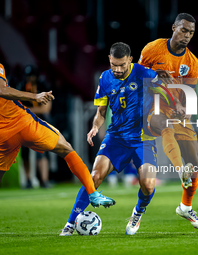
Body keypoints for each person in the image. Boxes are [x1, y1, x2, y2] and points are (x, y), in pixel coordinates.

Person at [0, 43, 115, 237]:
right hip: (23, 124)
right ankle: (93, 193)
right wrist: (35, 96)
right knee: (66, 149)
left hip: (1, 136)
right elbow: (0, 90)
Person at [60, 42, 158, 236]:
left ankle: (138, 212)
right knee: (94, 177)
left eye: (122, 65)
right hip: (116, 138)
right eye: (114, 64)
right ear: (109, 60)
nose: (118, 69)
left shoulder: (144, 73)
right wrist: (95, 126)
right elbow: (101, 112)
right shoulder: (105, 78)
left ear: (130, 60)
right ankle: (70, 224)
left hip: (143, 139)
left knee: (148, 185)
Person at [138, 13, 198, 230]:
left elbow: (190, 93)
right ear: (174, 27)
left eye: (191, 33)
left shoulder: (192, 63)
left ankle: (185, 207)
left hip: (177, 109)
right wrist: (154, 73)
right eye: (184, 30)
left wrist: (186, 110)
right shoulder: (152, 49)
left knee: (195, 163)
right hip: (154, 106)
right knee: (164, 125)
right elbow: (135, 75)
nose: (187, 36)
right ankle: (179, 169)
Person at [17, 66, 52, 188]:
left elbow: (46, 108)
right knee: (25, 153)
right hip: (26, 123)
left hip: (41, 122)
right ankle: (27, 181)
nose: (29, 79)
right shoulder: (22, 86)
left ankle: (44, 180)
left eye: (31, 76)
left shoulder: (42, 85)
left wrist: (29, 110)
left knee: (41, 151)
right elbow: (17, 107)